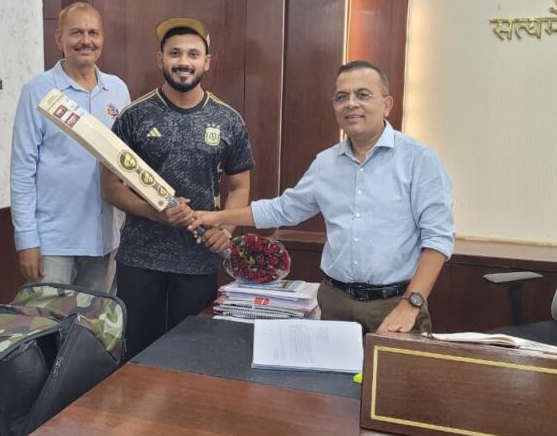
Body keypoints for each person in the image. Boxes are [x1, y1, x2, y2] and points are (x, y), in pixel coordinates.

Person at [189, 60, 454, 335]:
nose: (351, 103)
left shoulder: (419, 160)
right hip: (335, 303)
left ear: (387, 105)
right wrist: (217, 217)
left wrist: (411, 304)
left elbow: (438, 239)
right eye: (341, 97)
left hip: (395, 305)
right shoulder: (326, 163)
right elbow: (283, 209)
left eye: (363, 95)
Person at [102, 17, 254, 358]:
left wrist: (225, 229)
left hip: (198, 261)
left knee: (192, 357)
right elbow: (110, 188)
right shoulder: (133, 116)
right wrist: (156, 213)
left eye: (193, 54)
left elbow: (240, 186)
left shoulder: (228, 119)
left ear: (206, 62)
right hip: (140, 260)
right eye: (174, 53)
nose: (183, 62)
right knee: (138, 358)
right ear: (160, 59)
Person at [11, 2, 130, 292]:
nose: (86, 41)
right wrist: (27, 240)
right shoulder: (39, 90)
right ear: (59, 38)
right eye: (76, 32)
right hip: (52, 242)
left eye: (93, 33)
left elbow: (128, 161)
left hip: (105, 239)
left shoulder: (117, 89)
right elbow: (22, 170)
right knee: (48, 319)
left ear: (102, 38)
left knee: (96, 320)